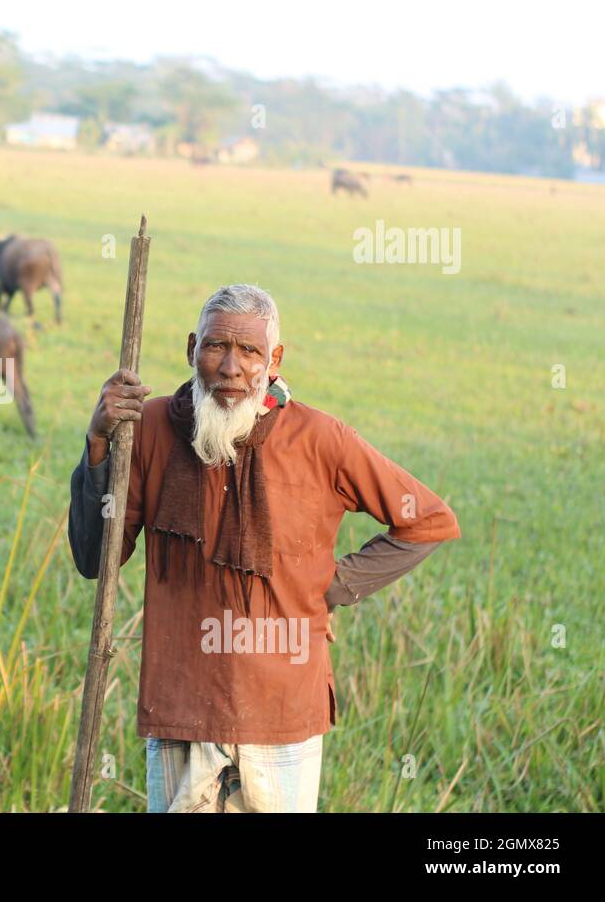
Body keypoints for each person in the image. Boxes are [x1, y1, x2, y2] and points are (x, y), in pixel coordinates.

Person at [68, 283, 460, 812]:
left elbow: (427, 520)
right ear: (191, 350)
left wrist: (335, 585)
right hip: (182, 701)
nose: (231, 367)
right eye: (215, 347)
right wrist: (98, 442)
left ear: (273, 361)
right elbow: (96, 558)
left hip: (282, 709)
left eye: (249, 351)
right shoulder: (153, 428)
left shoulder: (321, 439)